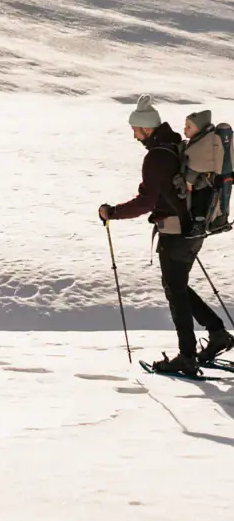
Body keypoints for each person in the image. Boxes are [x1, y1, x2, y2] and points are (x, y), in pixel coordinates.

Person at [98, 95, 233, 376]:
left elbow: (146, 202)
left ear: (147, 128)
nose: (134, 135)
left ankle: (187, 356)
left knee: (175, 290)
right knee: (177, 284)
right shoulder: (173, 144)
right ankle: (217, 333)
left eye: (135, 129)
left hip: (177, 232)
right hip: (193, 227)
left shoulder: (158, 156)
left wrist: (111, 212)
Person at [179, 109, 217, 238]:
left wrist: (189, 179)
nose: (185, 129)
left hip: (204, 183)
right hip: (202, 182)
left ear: (200, 128)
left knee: (199, 203)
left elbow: (199, 161)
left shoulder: (205, 142)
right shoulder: (199, 140)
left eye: (189, 126)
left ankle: (198, 226)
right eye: (185, 126)